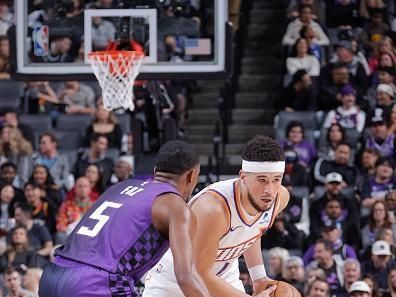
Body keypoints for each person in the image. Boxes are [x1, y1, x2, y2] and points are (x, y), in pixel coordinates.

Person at [38, 140, 212, 297]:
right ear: (191, 176)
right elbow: (186, 277)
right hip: (94, 283)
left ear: (155, 171)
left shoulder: (121, 186)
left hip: (53, 274)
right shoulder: (176, 206)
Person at [143, 135, 290, 297]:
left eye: (276, 179)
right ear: (243, 177)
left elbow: (253, 230)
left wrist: (259, 277)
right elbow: (198, 273)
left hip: (224, 275)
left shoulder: (279, 198)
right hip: (177, 278)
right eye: (261, 180)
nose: (269, 190)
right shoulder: (213, 209)